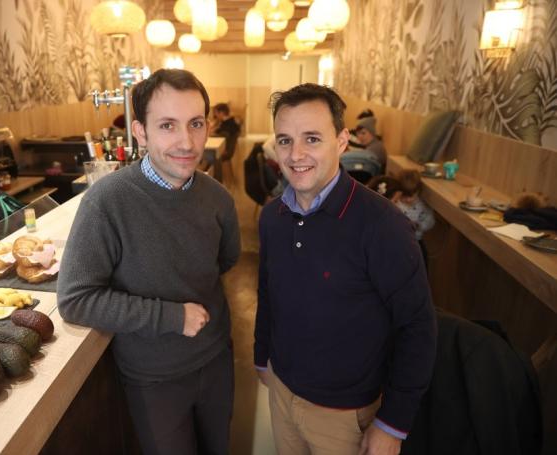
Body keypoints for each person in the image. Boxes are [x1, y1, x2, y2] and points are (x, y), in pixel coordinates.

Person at [57, 69, 241, 455]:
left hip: (217, 359)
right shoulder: (106, 202)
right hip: (153, 377)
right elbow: (75, 299)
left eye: (195, 124)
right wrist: (171, 317)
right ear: (140, 132)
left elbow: (225, 260)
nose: (186, 142)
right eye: (167, 126)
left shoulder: (219, 198)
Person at [254, 83, 436, 455]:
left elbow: (417, 326)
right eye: (285, 140)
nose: (296, 154)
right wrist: (261, 356)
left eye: (312, 139)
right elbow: (268, 291)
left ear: (341, 141)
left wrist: (393, 424)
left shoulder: (382, 225)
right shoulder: (273, 216)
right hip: (282, 392)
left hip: (345, 415)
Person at [392, 170, 435, 267]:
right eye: (404, 196)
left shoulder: (422, 206)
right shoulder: (395, 204)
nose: (408, 199)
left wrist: (420, 225)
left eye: (411, 196)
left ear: (418, 192)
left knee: (421, 264)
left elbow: (430, 221)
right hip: (397, 242)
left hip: (416, 242)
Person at [200, 103, 241, 171]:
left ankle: (207, 175)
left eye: (216, 113)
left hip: (223, 151)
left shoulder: (226, 127)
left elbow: (210, 134)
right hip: (226, 150)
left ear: (221, 113)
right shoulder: (230, 122)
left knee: (206, 156)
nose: (215, 115)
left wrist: (212, 127)